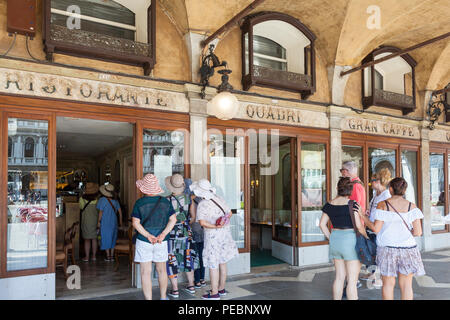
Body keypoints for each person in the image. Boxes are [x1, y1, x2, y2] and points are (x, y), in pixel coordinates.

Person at [357, 177, 425, 300]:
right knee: (406, 285)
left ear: (391, 189)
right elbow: (418, 232)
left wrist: (362, 215)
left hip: (388, 249)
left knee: (388, 285)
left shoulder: (384, 204)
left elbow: (375, 229)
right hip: (408, 249)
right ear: (404, 190)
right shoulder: (411, 206)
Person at [319, 177, 367, 300]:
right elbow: (359, 227)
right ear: (350, 190)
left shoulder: (329, 204)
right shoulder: (353, 204)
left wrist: (331, 238)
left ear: (337, 188)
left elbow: (322, 224)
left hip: (335, 240)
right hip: (350, 241)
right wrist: (367, 237)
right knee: (351, 280)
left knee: (339, 277)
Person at [191, 179, 239, 300]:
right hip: (225, 235)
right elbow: (229, 213)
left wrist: (215, 226)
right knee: (222, 262)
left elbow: (202, 222)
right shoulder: (219, 198)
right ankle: (221, 288)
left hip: (212, 237)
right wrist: (222, 224)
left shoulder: (202, 203)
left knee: (213, 265)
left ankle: (214, 293)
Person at [132, 174, 177, 300]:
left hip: (144, 240)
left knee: (145, 272)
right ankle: (163, 297)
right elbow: (173, 219)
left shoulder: (139, 203)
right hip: (161, 241)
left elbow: (135, 223)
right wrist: (163, 234)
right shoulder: (165, 202)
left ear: (144, 189)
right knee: (162, 270)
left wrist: (147, 235)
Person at [165, 174, 198, 298]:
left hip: (172, 233)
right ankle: (191, 286)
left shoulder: (167, 200)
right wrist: (184, 224)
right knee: (188, 256)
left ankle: (175, 290)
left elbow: (166, 219)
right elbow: (193, 217)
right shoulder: (189, 198)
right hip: (186, 232)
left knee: (172, 259)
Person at [360, 168, 392, 282]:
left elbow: (387, 212)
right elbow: (373, 209)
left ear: (378, 181)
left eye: (372, 181)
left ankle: (376, 274)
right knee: (370, 251)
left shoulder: (386, 195)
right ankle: (372, 273)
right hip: (371, 225)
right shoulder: (375, 194)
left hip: (379, 228)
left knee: (376, 252)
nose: (370, 183)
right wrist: (368, 213)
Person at [340, 161, 366, 291]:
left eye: (342, 170)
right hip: (356, 226)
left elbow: (353, 207)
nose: (341, 173)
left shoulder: (354, 186)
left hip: (353, 227)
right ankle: (353, 281)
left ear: (347, 171)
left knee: (350, 257)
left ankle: (352, 282)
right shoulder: (358, 184)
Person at [185, 178, 206, 289]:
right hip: (203, 230)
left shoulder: (188, 200)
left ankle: (196, 281)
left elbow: (189, 217)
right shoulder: (202, 198)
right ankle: (202, 279)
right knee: (202, 255)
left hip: (193, 230)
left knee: (195, 256)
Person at [97, 184, 123, 261]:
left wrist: (98, 222)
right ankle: (112, 256)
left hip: (105, 222)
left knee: (105, 238)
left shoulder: (102, 200)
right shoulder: (116, 201)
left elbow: (100, 212)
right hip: (114, 222)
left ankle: (108, 256)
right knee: (113, 238)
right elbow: (120, 212)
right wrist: (120, 222)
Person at [79, 182, 99, 262]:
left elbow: (80, 208)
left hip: (86, 221)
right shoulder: (97, 200)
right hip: (95, 221)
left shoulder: (81, 199)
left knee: (86, 240)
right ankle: (94, 256)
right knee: (94, 239)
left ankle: (87, 257)